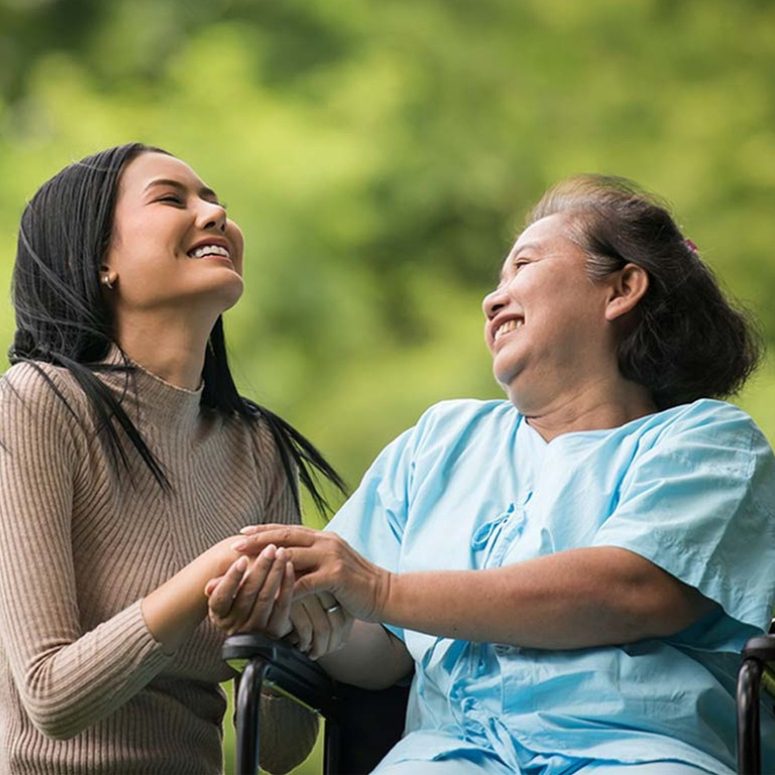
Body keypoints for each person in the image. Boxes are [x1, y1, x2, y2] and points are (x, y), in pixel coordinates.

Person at [215, 175, 775, 774]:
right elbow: (378, 655)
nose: (492, 299)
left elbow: (628, 591)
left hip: (637, 751)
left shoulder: (708, 442)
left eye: (524, 265)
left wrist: (380, 589)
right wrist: (296, 610)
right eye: (497, 280)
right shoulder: (439, 443)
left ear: (622, 289)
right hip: (448, 756)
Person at [0, 142, 347, 775]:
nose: (214, 216)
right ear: (102, 258)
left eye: (216, 203)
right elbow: (49, 696)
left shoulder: (257, 447)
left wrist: (274, 639)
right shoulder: (39, 403)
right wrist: (214, 570)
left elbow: (281, 752)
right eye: (171, 199)